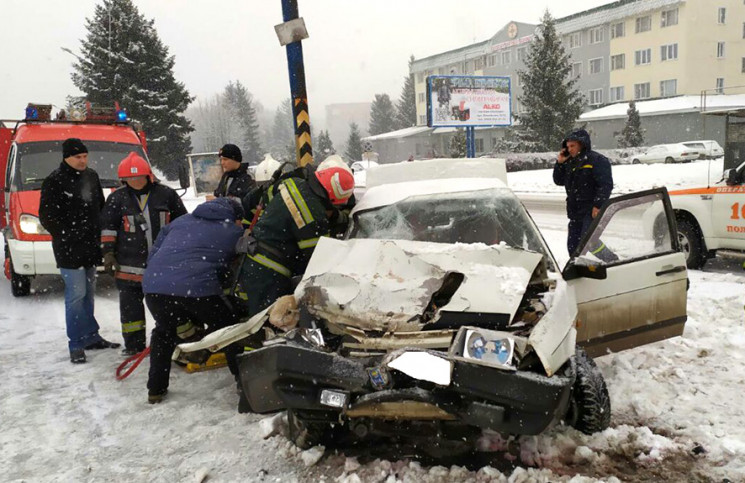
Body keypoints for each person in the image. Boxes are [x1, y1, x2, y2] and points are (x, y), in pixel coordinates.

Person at [142, 198, 244, 404]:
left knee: (163, 333)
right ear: (235, 217)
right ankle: (244, 383)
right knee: (229, 330)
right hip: (197, 289)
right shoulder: (233, 231)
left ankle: (156, 389)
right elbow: (237, 265)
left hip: (154, 287)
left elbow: (155, 252)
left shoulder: (179, 222)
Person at [236, 156, 355, 318]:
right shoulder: (313, 216)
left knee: (259, 318)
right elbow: (317, 261)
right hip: (269, 271)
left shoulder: (295, 184)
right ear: (331, 199)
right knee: (270, 321)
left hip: (253, 259)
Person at [39, 138, 120, 363]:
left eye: (85, 156)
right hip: (68, 249)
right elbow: (47, 217)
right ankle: (75, 343)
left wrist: (103, 235)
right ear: (66, 157)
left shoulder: (92, 176)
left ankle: (91, 336)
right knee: (76, 295)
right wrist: (68, 236)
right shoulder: (54, 181)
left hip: (91, 246)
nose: (83, 160)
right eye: (78, 157)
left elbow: (101, 209)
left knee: (88, 294)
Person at [100, 152, 188, 356]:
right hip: (128, 267)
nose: (135, 181)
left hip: (162, 266)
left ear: (148, 176)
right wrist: (108, 253)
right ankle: (134, 345)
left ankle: (177, 341)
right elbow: (108, 228)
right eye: (130, 178)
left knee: (169, 307)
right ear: (123, 179)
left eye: (139, 177)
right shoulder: (116, 199)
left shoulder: (166, 195)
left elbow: (183, 224)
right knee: (131, 311)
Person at [553, 129, 613, 256]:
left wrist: (598, 205)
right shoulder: (570, 162)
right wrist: (559, 163)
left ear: (582, 144)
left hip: (590, 210)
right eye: (568, 146)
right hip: (575, 211)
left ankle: (612, 261)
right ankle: (578, 268)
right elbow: (558, 180)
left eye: (572, 146)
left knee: (590, 241)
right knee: (573, 246)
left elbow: (605, 185)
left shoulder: (597, 160)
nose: (569, 149)